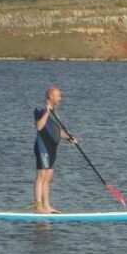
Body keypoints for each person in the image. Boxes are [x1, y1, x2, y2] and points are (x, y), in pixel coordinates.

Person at [33, 86, 76, 214]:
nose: (60, 98)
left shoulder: (55, 113)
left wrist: (69, 138)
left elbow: (58, 132)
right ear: (51, 96)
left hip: (52, 148)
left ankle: (46, 206)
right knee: (41, 177)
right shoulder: (40, 111)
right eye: (58, 96)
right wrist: (47, 111)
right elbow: (39, 127)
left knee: (48, 177)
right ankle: (38, 207)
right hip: (43, 147)